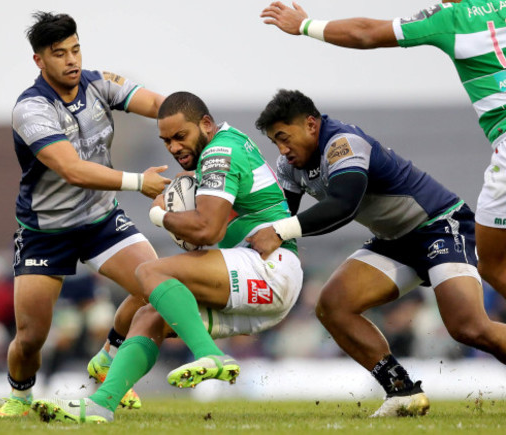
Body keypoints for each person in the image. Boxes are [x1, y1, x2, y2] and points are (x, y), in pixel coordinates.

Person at [247, 89, 506, 417]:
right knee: (333, 307)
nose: (282, 150)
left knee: (468, 327)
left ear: (311, 125)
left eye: (285, 138)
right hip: (394, 240)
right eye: (275, 142)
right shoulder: (290, 166)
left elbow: (343, 205)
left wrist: (278, 232)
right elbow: (279, 220)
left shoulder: (342, 143)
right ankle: (402, 392)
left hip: (439, 225)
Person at [260, 1, 506, 327]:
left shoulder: (453, 16)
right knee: (339, 305)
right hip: (398, 238)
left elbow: (366, 32)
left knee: (497, 266)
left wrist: (306, 26)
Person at [29, 91, 304, 423]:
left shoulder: (219, 152)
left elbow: (207, 231)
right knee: (149, 315)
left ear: (205, 124)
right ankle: (101, 404)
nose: (174, 147)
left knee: (148, 272)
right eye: (166, 141)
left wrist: (160, 215)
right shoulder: (227, 144)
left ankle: (208, 356)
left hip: (269, 269)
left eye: (180, 136)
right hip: (263, 280)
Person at [0, 11, 171, 417]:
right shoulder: (30, 109)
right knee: (31, 338)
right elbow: (72, 170)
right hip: (46, 230)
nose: (72, 60)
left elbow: (161, 105)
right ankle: (20, 394)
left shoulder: (98, 82)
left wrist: (203, 126)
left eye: (75, 50)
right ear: (39, 60)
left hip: (101, 222)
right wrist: (136, 183)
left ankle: (109, 359)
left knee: (161, 290)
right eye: (60, 54)